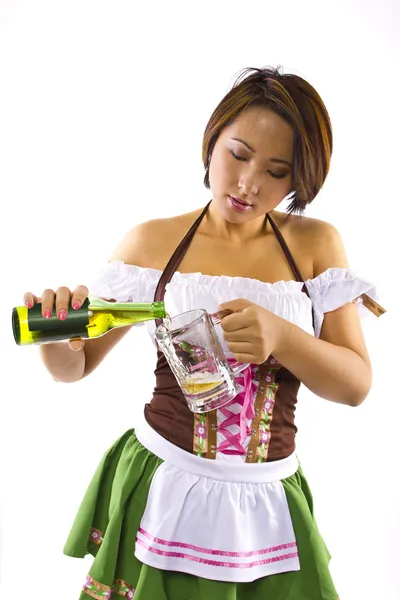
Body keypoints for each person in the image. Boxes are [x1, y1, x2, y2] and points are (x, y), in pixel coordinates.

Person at [22, 66, 385, 600]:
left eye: (278, 172)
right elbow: (74, 367)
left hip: (268, 497)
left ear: (300, 178)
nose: (249, 184)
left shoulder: (316, 245)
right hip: (165, 482)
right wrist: (57, 338)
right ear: (211, 140)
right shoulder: (153, 242)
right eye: (238, 155)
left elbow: (355, 385)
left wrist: (282, 337)